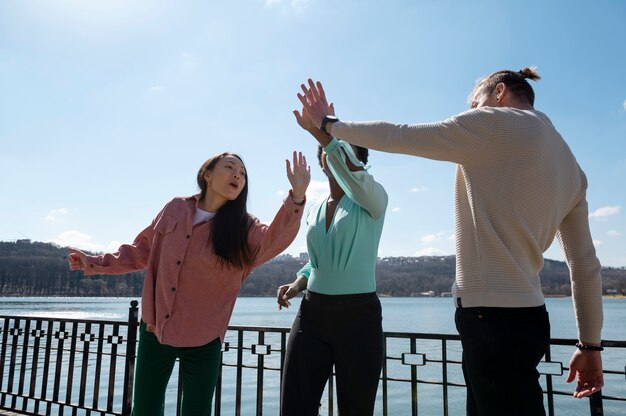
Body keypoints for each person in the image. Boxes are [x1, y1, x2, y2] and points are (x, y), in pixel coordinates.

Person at [297, 69, 604, 416]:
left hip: (489, 319)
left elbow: (400, 135)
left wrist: (329, 125)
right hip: (532, 318)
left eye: (474, 103)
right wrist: (590, 344)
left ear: (499, 93)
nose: (472, 110)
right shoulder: (571, 165)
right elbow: (584, 264)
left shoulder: (491, 123)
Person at [68, 151, 310, 416]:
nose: (237, 175)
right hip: (156, 328)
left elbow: (275, 239)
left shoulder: (245, 227)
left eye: (242, 174)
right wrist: (94, 262)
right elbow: (140, 251)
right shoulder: (175, 208)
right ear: (207, 175)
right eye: (230, 168)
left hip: (205, 338)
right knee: (145, 409)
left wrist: (296, 197)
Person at [276, 106, 388, 416]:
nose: (334, 151)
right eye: (329, 148)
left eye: (342, 147)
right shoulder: (314, 207)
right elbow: (318, 260)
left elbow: (350, 170)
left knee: (355, 409)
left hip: (359, 318)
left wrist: (322, 133)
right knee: (295, 408)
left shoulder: (373, 198)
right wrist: (299, 282)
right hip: (312, 314)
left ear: (358, 160)